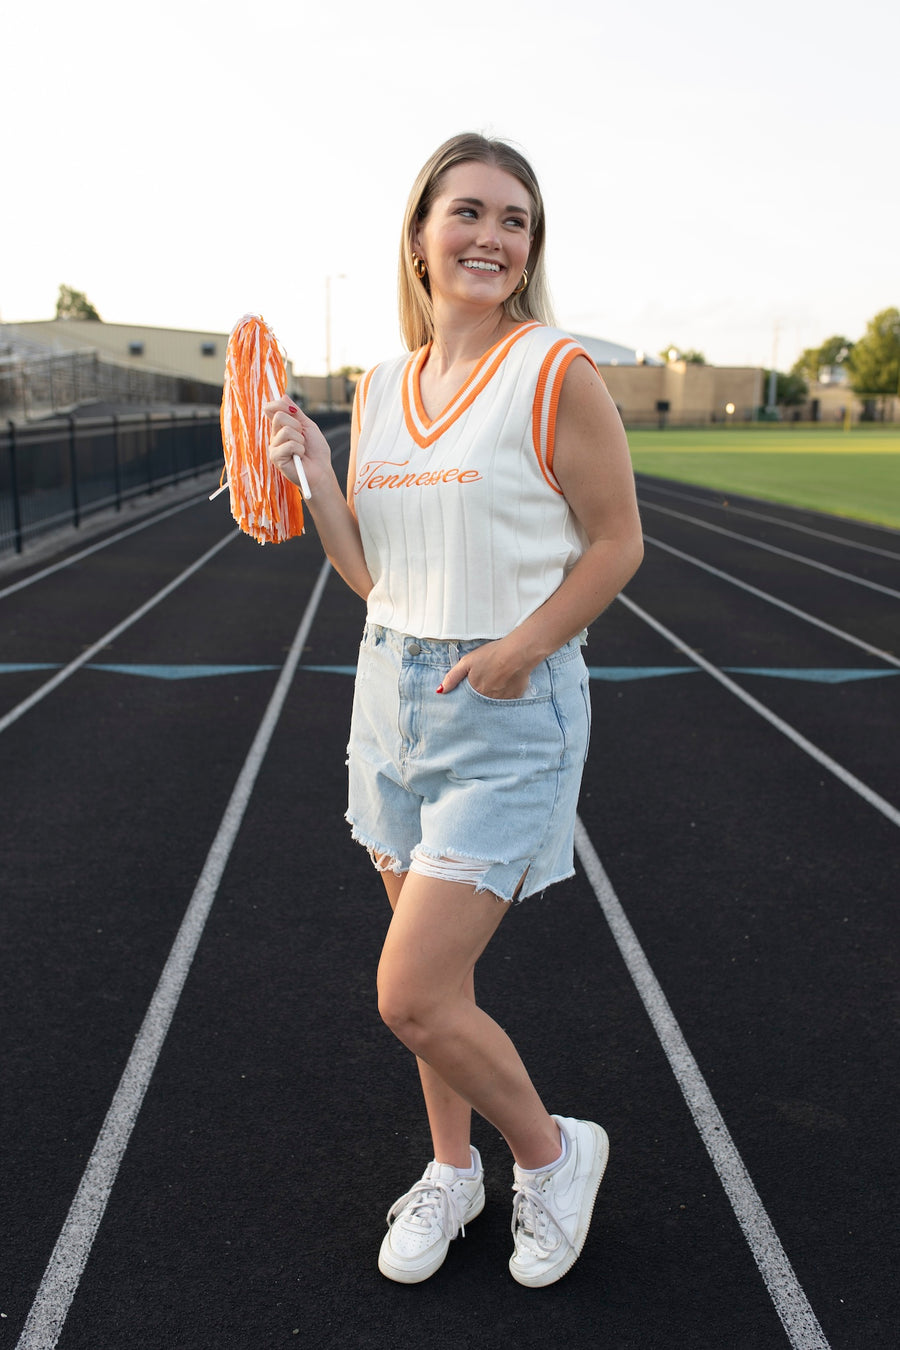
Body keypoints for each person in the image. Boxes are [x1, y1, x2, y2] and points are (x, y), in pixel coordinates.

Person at [266, 132, 643, 1287]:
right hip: (391, 700)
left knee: (410, 992)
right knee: (435, 988)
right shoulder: (381, 389)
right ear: (421, 235)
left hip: (505, 708)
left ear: (529, 251)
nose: (491, 236)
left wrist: (521, 650)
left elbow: (619, 544)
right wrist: (322, 480)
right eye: (469, 212)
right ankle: (451, 1171)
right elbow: (373, 575)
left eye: (515, 221)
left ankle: (549, 1152)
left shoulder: (552, 371)